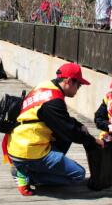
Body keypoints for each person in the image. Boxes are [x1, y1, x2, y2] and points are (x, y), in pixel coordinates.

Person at [6, 63, 104, 195]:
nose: (78, 89)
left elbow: (63, 120)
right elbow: (71, 131)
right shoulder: (53, 102)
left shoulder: (45, 87)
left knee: (65, 136)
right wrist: (93, 141)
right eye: (79, 85)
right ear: (69, 81)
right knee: (78, 175)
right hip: (29, 150)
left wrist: (80, 125)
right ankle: (27, 175)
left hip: (16, 145)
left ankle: (29, 168)